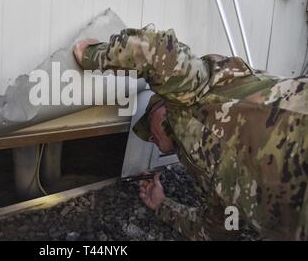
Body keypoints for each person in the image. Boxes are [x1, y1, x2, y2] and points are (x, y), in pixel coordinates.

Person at [73, 27, 308, 241]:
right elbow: (220, 230)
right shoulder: (208, 176)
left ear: (166, 102)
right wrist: (161, 204)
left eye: (148, 123)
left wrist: (92, 55)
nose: (151, 138)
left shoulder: (195, 95)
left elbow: (155, 50)